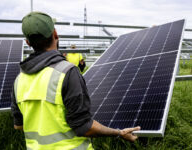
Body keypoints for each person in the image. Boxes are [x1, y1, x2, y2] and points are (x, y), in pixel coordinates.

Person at [11, 11, 140, 150]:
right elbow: (84, 127)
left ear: (28, 42)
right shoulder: (66, 72)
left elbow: (19, 125)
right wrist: (119, 133)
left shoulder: (19, 81)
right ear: (55, 34)